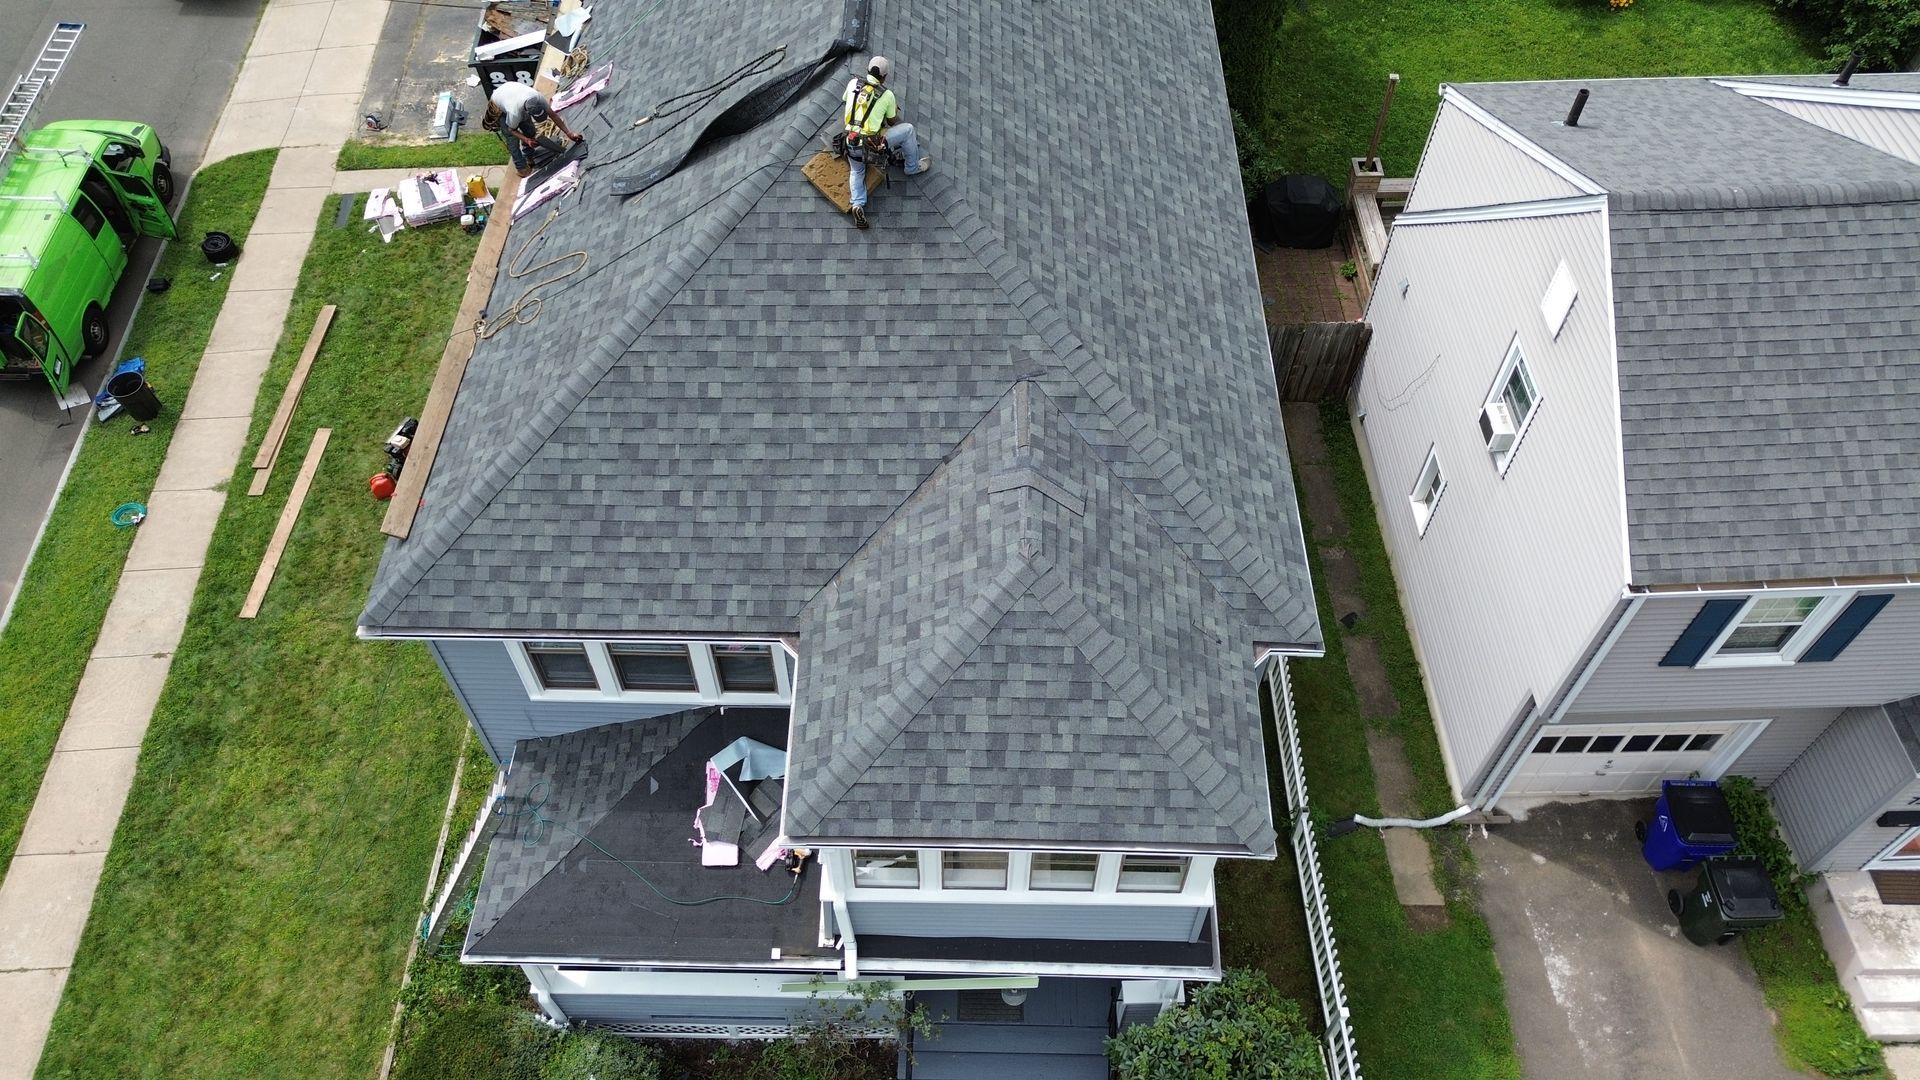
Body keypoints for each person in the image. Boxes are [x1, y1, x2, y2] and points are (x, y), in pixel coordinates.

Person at [842, 56, 930, 229]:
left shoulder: (853, 83)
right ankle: (912, 167)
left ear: (867, 70)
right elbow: (891, 122)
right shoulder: (887, 95)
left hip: (851, 142)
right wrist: (890, 107)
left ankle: (858, 204)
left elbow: (848, 101)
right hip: (872, 146)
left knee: (857, 171)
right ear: (884, 77)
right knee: (908, 130)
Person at [484, 81, 583, 178]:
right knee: (512, 140)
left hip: (513, 93)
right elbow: (512, 130)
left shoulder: (538, 98)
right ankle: (521, 168)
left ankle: (529, 155)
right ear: (527, 111)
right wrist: (526, 139)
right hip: (500, 100)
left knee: (530, 131)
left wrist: (569, 133)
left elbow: (553, 115)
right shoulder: (514, 112)